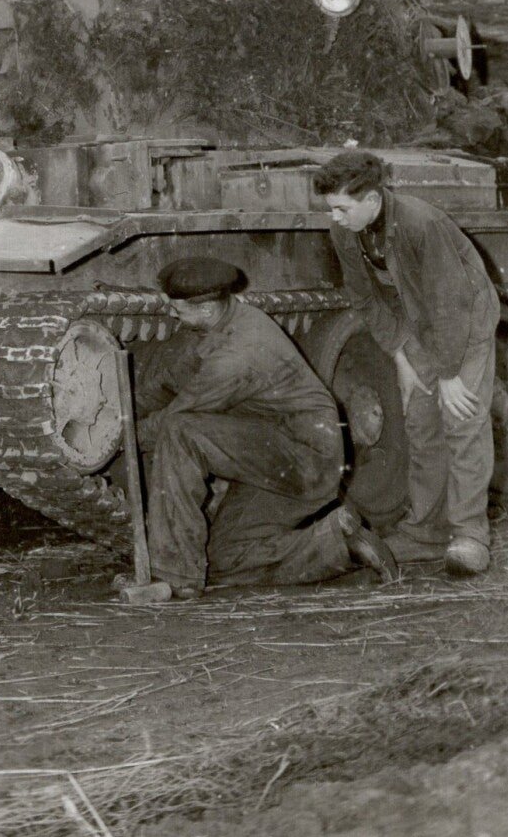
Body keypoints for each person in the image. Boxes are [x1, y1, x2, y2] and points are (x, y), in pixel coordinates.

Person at [134, 256, 397, 597]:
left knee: (179, 433)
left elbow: (173, 419)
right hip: (276, 452)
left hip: (306, 461)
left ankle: (173, 578)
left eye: (178, 309)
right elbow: (176, 378)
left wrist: (118, 437)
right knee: (223, 559)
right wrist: (128, 402)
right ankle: (339, 542)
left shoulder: (238, 357)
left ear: (208, 308)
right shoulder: (233, 320)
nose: (172, 314)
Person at [312, 147, 500, 577]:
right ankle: (425, 533)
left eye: (342, 207)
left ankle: (471, 535)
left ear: (372, 201)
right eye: (331, 209)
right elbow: (362, 296)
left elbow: (451, 304)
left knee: (462, 420)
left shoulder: (421, 223)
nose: (335, 217)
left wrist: (449, 374)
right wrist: (400, 353)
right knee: (420, 422)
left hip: (465, 321)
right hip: (415, 323)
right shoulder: (345, 231)